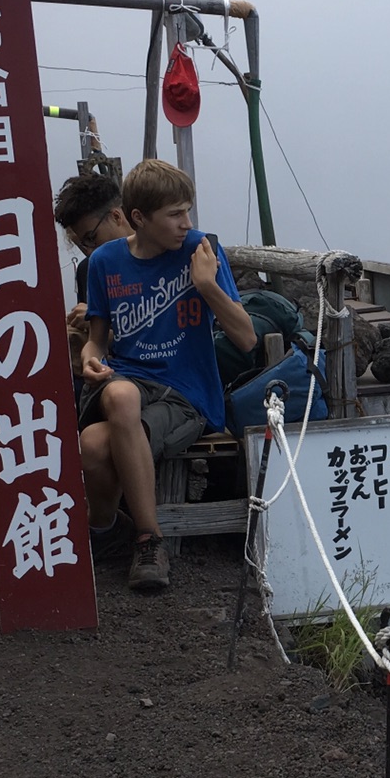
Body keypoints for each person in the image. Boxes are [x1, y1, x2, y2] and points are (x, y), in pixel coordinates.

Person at [80, 159, 255, 592]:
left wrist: (208, 286)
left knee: (92, 445)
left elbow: (247, 339)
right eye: (175, 214)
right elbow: (97, 340)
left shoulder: (201, 251)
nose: (186, 223)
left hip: (186, 392)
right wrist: (89, 357)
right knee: (121, 398)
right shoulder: (105, 262)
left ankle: (103, 532)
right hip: (128, 381)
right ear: (139, 218)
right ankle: (149, 539)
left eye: (188, 211)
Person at [51, 169, 135, 557]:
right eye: (80, 244)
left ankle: (98, 517)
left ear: (118, 216)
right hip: (112, 372)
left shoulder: (173, 255)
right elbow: (100, 342)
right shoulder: (93, 267)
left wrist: (105, 324)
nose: (87, 251)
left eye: (89, 238)